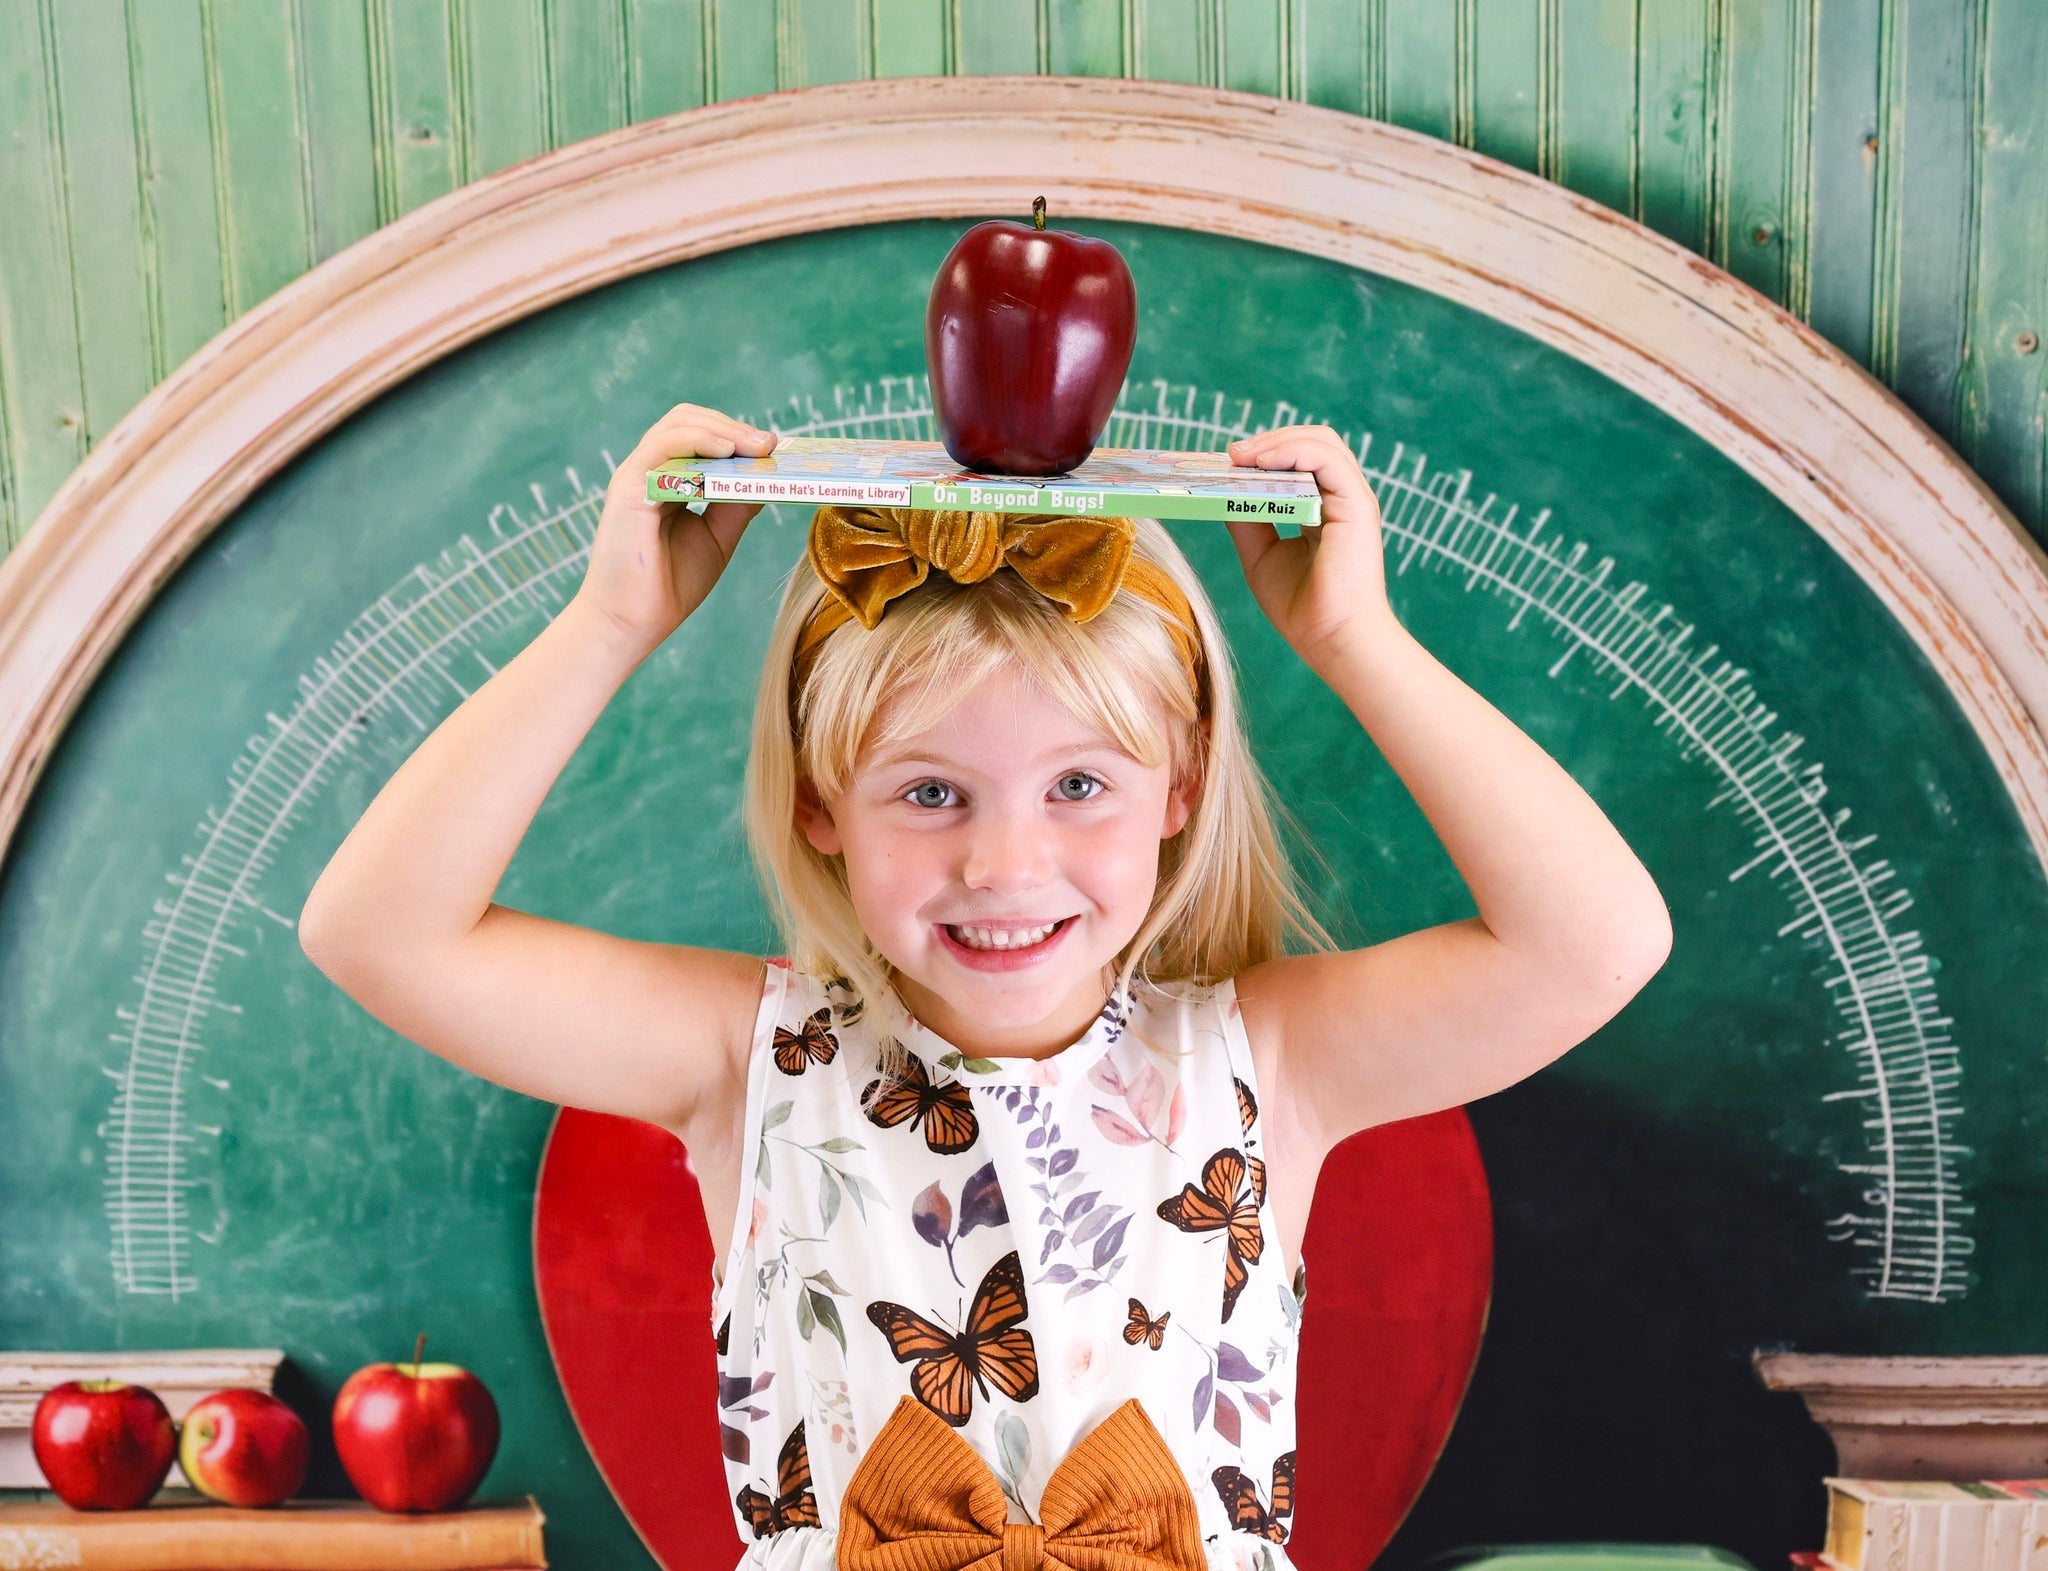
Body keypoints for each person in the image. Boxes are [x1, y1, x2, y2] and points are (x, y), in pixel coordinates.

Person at [300, 404, 1671, 1571]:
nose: (1005, 863)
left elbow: (1594, 944)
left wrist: (1355, 638)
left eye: (1081, 784)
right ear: (825, 801)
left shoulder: (1264, 1060)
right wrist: (613, 619)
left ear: (1179, 789)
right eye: (930, 792)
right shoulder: (755, 1057)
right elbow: (379, 932)